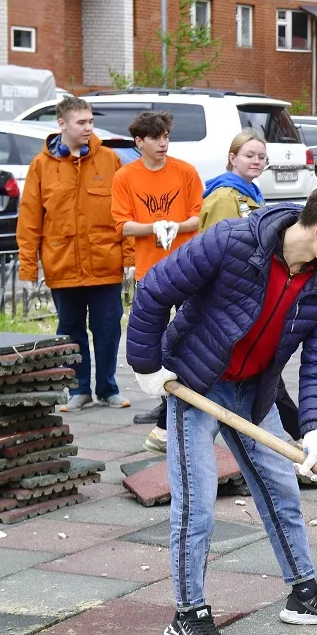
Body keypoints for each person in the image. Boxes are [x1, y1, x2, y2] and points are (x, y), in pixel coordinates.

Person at [126, 175, 317, 635]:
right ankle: (188, 615)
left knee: (282, 487)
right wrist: (147, 367)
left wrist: (314, 428)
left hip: (255, 388)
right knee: (197, 502)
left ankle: (305, 593)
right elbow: (155, 289)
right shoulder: (232, 242)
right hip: (196, 382)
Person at [199, 131, 317, 462]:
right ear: (232, 157)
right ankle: (296, 435)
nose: (256, 162)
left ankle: (301, 434)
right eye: (249, 155)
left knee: (266, 379)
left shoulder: (250, 193)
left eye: (261, 157)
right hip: (234, 311)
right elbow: (222, 257)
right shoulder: (225, 196)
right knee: (244, 380)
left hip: (255, 308)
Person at [16, 96, 132, 412]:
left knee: (108, 329)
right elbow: (29, 220)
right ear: (62, 124)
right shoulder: (42, 166)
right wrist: (28, 269)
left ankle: (108, 388)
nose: (88, 128)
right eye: (81, 122)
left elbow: (125, 213)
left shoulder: (109, 160)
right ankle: (78, 389)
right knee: (70, 332)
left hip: (105, 263)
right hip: (62, 264)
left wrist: (130, 259)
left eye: (90, 121)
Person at [110, 110, 203, 454]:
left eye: (166, 136)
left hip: (187, 267)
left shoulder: (185, 171)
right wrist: (153, 227)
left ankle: (173, 414)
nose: (163, 143)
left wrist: (177, 225)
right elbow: (121, 224)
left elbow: (197, 215)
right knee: (158, 343)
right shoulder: (126, 176)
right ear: (140, 142)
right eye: (156, 137)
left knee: (189, 338)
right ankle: (166, 408)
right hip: (150, 272)